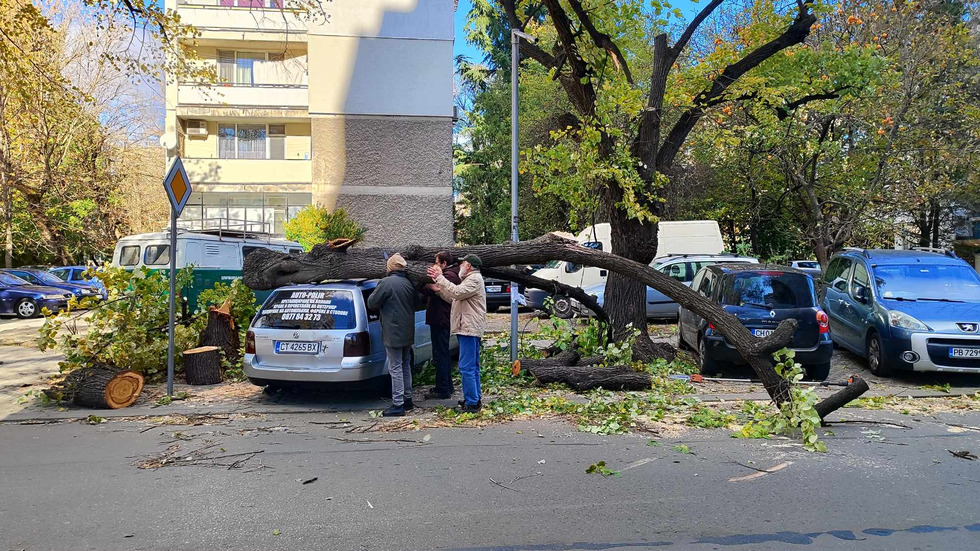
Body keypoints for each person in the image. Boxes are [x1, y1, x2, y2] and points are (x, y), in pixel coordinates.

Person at [427, 253, 487, 412]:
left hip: (469, 328)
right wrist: (439, 290)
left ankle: (472, 402)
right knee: (472, 366)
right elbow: (454, 298)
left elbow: (457, 292)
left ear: (468, 266)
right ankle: (474, 398)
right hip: (468, 327)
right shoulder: (470, 280)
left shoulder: (474, 279)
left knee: (466, 366)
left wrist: (440, 278)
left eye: (462, 264)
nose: (460, 266)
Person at [366, 253, 418, 417]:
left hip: (392, 330)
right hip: (407, 330)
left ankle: (398, 404)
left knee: (394, 367)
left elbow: (372, 303)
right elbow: (417, 302)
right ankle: (407, 398)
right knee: (405, 364)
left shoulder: (386, 283)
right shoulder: (408, 283)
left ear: (390, 267)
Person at [420, 251, 461, 400]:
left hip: (441, 319)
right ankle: (446, 386)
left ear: (444, 263)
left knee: (440, 354)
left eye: (437, 262)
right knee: (441, 353)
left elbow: (438, 289)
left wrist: (428, 287)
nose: (434, 265)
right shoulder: (451, 274)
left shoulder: (448, 276)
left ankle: (443, 388)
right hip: (441, 318)